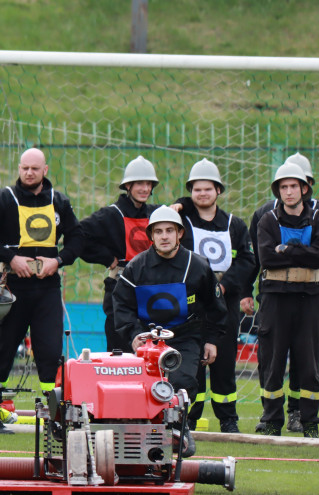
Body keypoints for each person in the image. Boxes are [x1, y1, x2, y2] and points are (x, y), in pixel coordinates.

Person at [0, 148, 82, 434]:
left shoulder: (59, 201)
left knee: (50, 352)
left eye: (34, 168)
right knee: (4, 350)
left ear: (45, 169)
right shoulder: (2, 199)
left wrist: (58, 261)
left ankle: (55, 418)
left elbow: (77, 239)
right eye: (24, 168)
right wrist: (11, 258)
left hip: (47, 290)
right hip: (13, 288)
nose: (29, 173)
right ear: (19, 169)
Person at [240, 152, 319, 433]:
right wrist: (246, 291)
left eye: (296, 185)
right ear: (278, 188)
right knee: (271, 359)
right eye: (284, 186)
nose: (290, 191)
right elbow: (260, 257)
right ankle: (271, 418)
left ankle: (303, 416)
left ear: (306, 186)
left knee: (307, 359)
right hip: (274, 295)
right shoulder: (264, 216)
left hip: (310, 294)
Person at [113, 205, 228, 455]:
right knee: (141, 387)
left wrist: (211, 340)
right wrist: (133, 335)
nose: (164, 236)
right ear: (151, 235)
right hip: (147, 340)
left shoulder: (198, 266)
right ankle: (140, 435)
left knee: (182, 382)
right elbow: (121, 305)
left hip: (184, 336)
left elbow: (215, 306)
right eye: (159, 231)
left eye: (170, 231)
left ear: (179, 234)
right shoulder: (136, 268)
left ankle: (179, 430)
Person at [172, 159, 255, 433]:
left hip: (224, 304)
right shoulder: (181, 220)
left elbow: (247, 260)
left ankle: (228, 419)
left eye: (208, 189)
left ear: (218, 190)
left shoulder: (235, 225)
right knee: (190, 362)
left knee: (224, 361)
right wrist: (181, 203)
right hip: (192, 304)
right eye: (196, 190)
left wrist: (225, 285)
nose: (202, 194)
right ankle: (189, 417)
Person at [79, 155, 162, 352]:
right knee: (120, 353)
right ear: (128, 186)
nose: (144, 188)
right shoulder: (111, 214)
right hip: (121, 289)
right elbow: (78, 235)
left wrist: (179, 205)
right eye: (139, 183)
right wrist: (107, 258)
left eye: (148, 184)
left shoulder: (156, 214)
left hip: (152, 292)